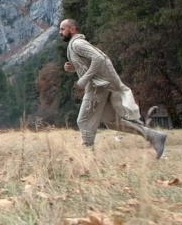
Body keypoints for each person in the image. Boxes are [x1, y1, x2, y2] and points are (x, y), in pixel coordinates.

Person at [60, 18, 167, 158]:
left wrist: (85, 78)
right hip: (100, 86)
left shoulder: (78, 44)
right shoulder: (76, 44)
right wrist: (74, 68)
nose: (60, 32)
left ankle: (88, 159)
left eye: (63, 29)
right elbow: (90, 62)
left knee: (83, 121)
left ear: (72, 29)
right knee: (112, 122)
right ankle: (154, 136)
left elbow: (98, 59)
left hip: (96, 87)